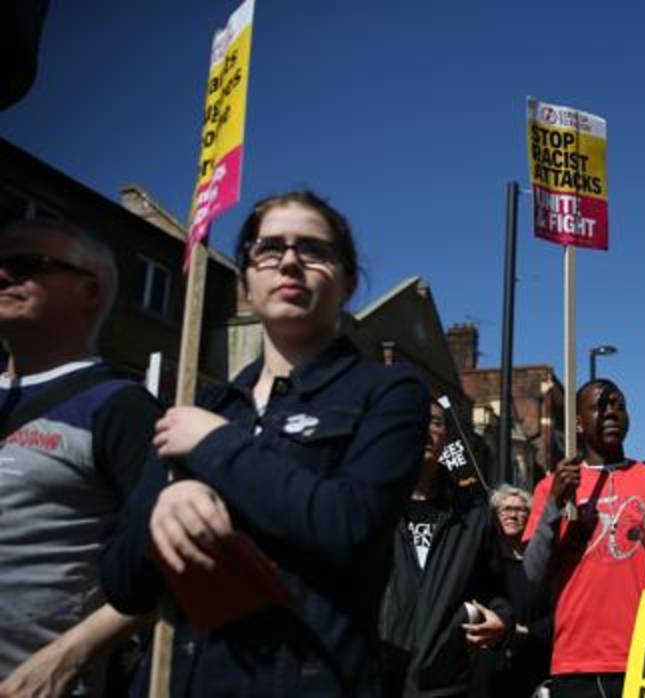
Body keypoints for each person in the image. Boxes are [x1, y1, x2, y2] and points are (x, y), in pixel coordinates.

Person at [100, 191, 431, 696]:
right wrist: (165, 507)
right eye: (269, 250)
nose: (291, 262)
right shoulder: (202, 408)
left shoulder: (388, 391)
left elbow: (347, 527)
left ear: (347, 283)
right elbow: (123, 584)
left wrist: (215, 448)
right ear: (245, 283)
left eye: (315, 251)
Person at [0, 219, 163, 697]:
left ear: (88, 291)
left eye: (26, 265)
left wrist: (65, 657)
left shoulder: (122, 408)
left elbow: (168, 569)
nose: (3, 275)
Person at [522, 379, 645, 698]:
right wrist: (555, 503)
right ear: (578, 423)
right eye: (599, 406)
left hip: (644, 657)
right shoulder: (552, 487)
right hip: (575, 661)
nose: (610, 413)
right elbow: (533, 572)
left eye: (618, 405)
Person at [378, 399, 510, 698]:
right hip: (378, 676)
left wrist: (502, 620)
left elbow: (496, 591)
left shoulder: (473, 513)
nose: (426, 430)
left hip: (445, 682)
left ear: (445, 439)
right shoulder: (373, 504)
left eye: (436, 423)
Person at [469, 485, 553, 698]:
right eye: (505, 509)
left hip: (533, 664)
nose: (512, 515)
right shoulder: (481, 563)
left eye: (520, 510)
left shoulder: (542, 564)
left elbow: (558, 613)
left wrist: (525, 633)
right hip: (487, 669)